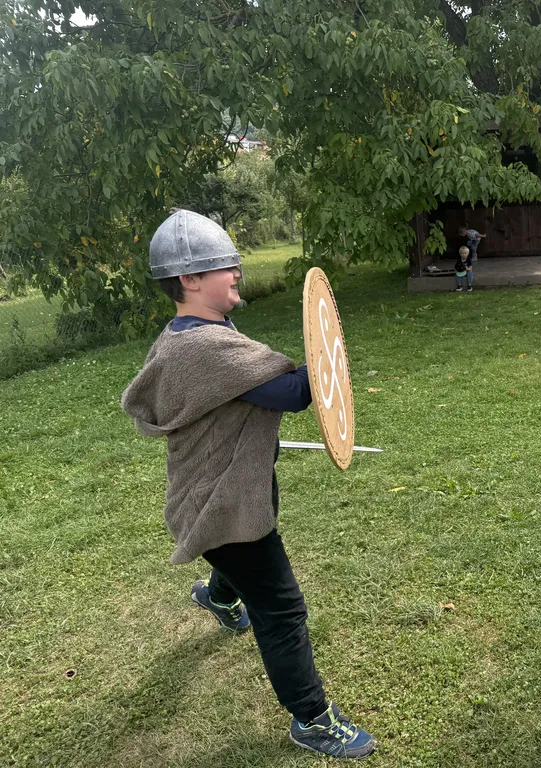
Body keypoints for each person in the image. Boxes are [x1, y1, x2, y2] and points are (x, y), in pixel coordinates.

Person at [121, 210, 377, 760]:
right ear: (190, 279)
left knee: (234, 558)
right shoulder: (204, 350)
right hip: (222, 505)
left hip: (225, 495)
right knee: (281, 610)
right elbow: (295, 392)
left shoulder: (190, 336)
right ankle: (312, 720)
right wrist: (327, 348)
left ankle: (217, 596)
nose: (237, 272)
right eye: (225, 266)